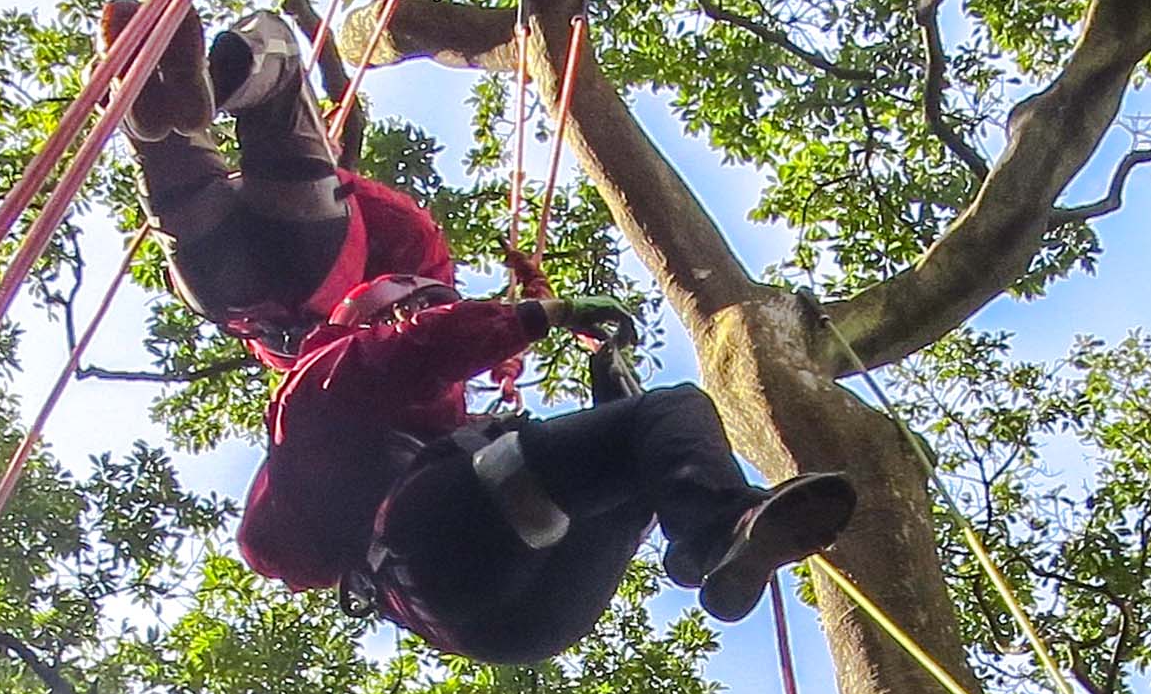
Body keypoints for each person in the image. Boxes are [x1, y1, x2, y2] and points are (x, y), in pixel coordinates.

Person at [237, 274, 860, 663]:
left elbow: (570, 477)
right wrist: (539, 315)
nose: (434, 318)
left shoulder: (420, 444)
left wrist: (610, 392)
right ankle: (718, 528)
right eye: (420, 310)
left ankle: (718, 536)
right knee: (674, 409)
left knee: (643, 464)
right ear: (378, 322)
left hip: (512, 631)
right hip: (423, 538)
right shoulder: (315, 392)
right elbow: (411, 352)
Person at [101, 0, 454, 369]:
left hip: (300, 263)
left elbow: (415, 233)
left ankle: (196, 87)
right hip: (224, 291)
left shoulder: (426, 295)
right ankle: (149, 106)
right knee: (166, 149)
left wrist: (336, 177)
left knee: (279, 54)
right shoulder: (306, 365)